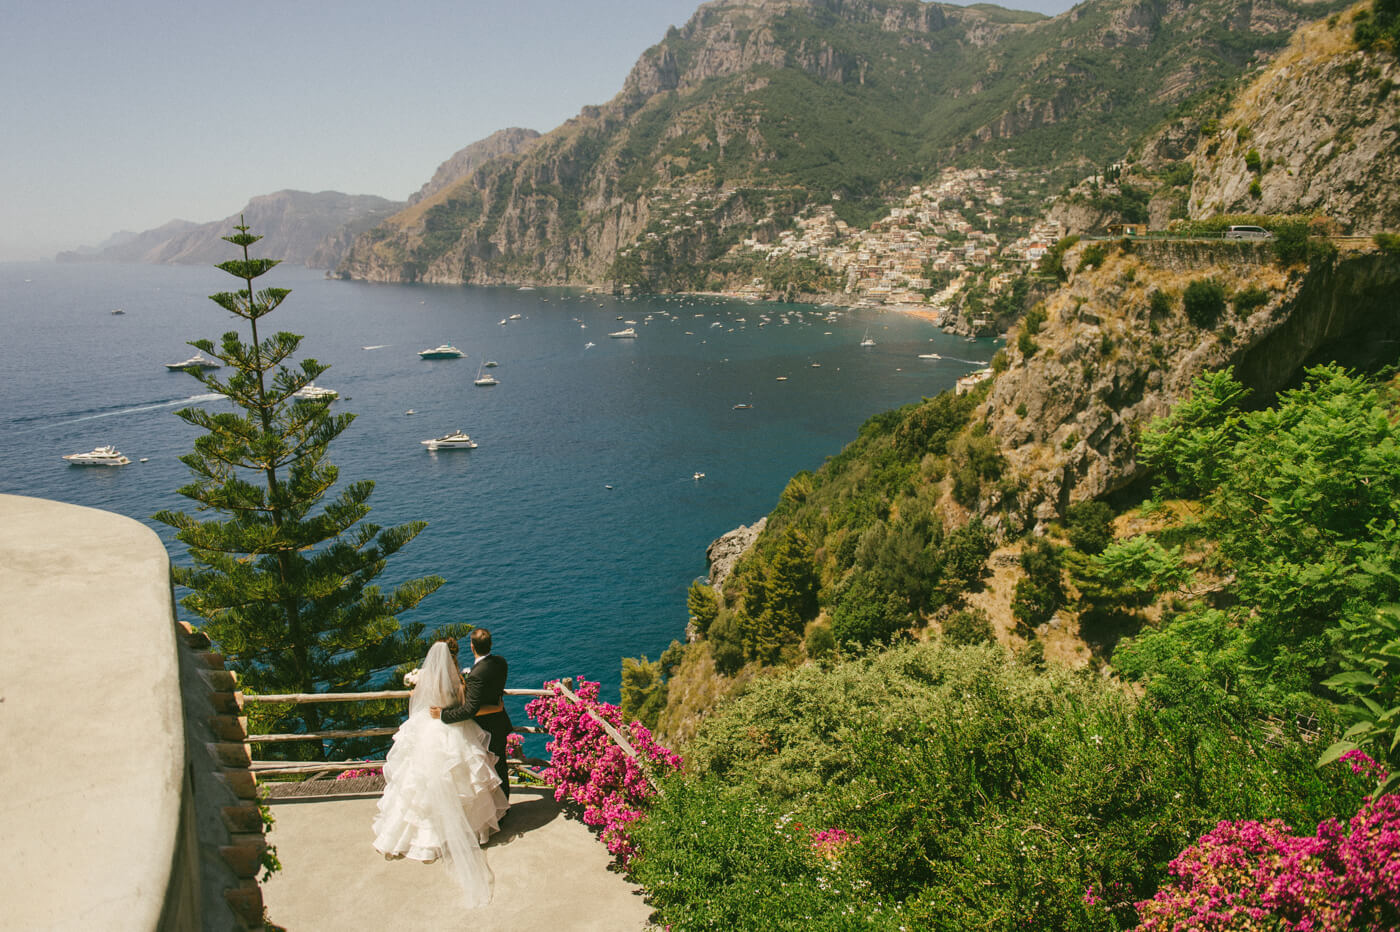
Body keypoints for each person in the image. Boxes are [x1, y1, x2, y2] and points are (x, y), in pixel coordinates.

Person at [372, 640, 508, 906]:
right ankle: (469, 830)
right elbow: (462, 704)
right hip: (452, 728)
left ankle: (426, 837)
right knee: (463, 781)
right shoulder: (457, 680)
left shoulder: (425, 680)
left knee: (419, 782)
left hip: (429, 728)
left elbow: (418, 703)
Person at [433, 627, 512, 799]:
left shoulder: (476, 674)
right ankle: (504, 806)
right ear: (490, 644)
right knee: (501, 768)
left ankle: (498, 810)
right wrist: (496, 707)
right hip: (500, 723)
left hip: (486, 729)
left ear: (472, 646)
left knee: (488, 771)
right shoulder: (501, 662)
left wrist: (443, 715)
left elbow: (470, 709)